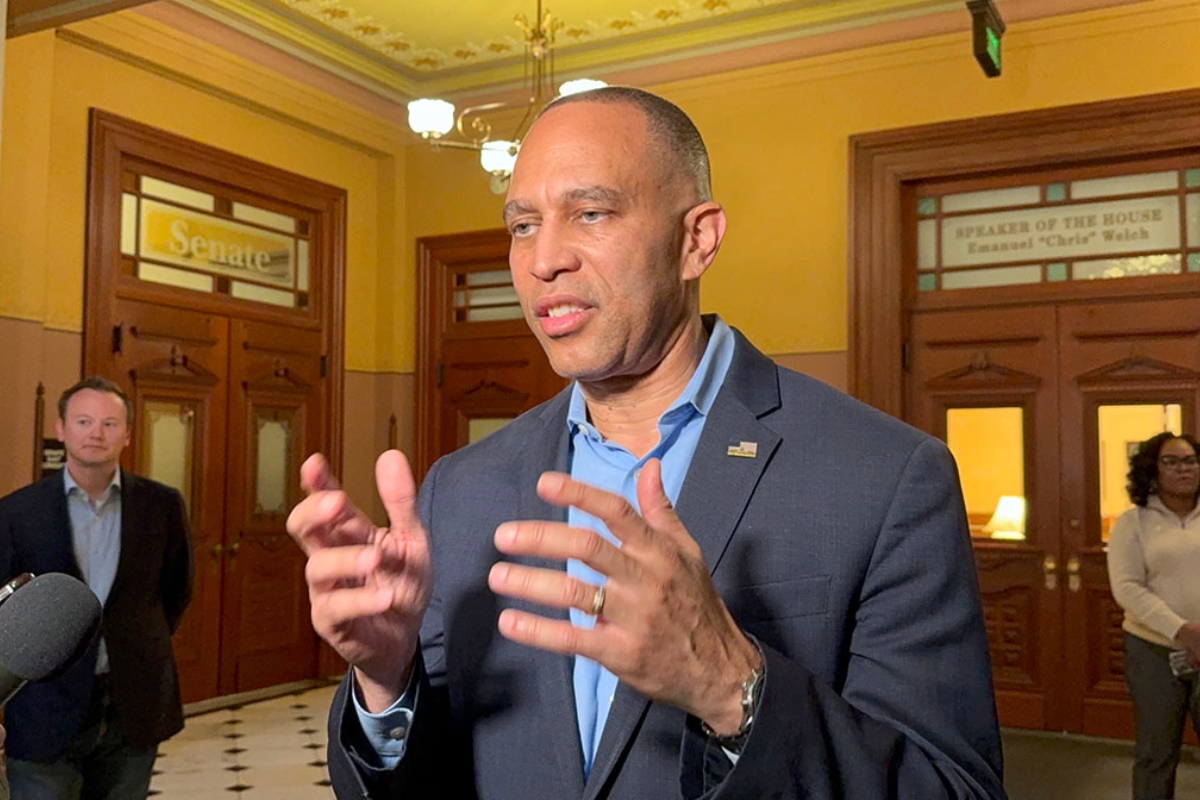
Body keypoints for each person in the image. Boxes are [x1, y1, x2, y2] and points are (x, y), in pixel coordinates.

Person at [287, 87, 1005, 799]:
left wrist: (733, 687)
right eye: (523, 224)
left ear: (697, 240)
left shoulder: (886, 475)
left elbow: (953, 788)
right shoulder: (460, 487)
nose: (543, 261)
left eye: (590, 213)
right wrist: (387, 679)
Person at [0, 376, 194, 800]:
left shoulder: (161, 505)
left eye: (109, 423)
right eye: (84, 421)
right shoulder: (17, 511)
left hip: (133, 700)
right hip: (44, 710)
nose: (96, 433)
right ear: (61, 429)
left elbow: (175, 592)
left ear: (127, 433)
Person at [1108, 432, 1200, 800]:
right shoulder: (1134, 523)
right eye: (1172, 461)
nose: (1184, 469)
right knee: (1156, 753)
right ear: (1152, 469)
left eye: (1191, 460)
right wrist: (1183, 630)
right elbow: (1128, 588)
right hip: (1154, 652)